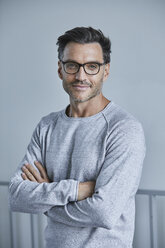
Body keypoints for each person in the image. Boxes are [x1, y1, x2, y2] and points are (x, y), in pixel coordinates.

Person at [9, 27, 146, 248]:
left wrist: (45, 200)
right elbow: (16, 196)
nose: (81, 76)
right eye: (72, 65)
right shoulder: (47, 126)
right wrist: (77, 190)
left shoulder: (124, 129)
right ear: (60, 69)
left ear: (106, 71)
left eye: (92, 66)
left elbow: (103, 212)